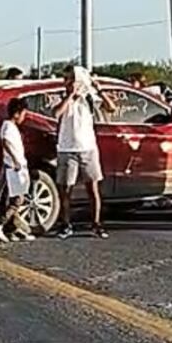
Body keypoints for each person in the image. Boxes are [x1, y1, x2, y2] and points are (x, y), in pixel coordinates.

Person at [54, 66, 116, 239]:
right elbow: (57, 113)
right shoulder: (63, 97)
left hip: (87, 148)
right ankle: (65, 224)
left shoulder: (89, 98)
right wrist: (70, 96)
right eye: (65, 79)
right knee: (66, 189)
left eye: (70, 79)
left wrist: (99, 89)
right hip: (67, 149)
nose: (67, 82)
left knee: (93, 188)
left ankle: (96, 224)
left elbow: (111, 108)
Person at [0, 97, 36, 243]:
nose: (24, 118)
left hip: (17, 167)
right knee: (17, 199)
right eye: (23, 114)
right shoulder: (8, 126)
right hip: (13, 168)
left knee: (14, 199)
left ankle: (15, 229)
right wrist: (15, 160)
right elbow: (6, 142)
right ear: (16, 113)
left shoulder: (12, 127)